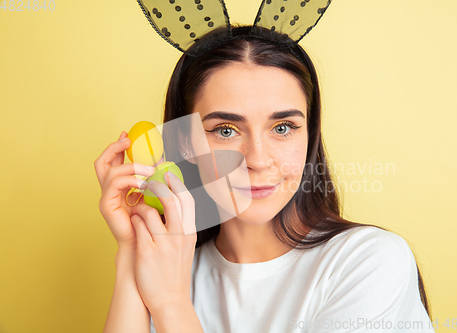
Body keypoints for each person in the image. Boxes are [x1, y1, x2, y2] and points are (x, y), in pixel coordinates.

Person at [95, 25, 435, 332]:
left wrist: (171, 305)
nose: (257, 159)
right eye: (226, 130)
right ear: (185, 143)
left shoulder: (369, 261)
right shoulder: (169, 264)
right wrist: (133, 248)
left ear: (309, 133)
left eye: (283, 128)